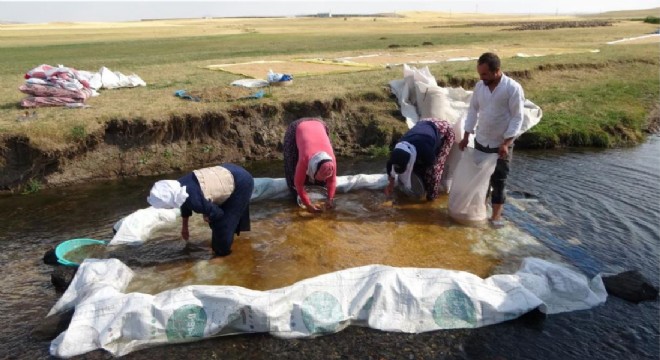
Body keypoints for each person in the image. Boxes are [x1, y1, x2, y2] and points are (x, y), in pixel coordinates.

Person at [458, 52, 524, 227]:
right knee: (481, 179)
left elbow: (518, 117)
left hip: (501, 144)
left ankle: (495, 218)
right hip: (481, 141)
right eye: (480, 74)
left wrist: (506, 143)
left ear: (497, 71)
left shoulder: (512, 88)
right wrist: (466, 135)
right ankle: (480, 212)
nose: (481, 78)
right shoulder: (480, 87)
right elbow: (473, 110)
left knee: (499, 181)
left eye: (485, 74)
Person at [147, 163, 254, 256]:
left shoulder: (194, 201)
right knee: (217, 223)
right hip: (228, 170)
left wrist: (208, 214)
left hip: (242, 182)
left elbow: (219, 215)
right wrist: (185, 227)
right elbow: (184, 203)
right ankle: (223, 243)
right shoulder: (178, 187)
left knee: (223, 225)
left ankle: (224, 254)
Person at [384, 118, 455, 201]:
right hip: (423, 124)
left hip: (444, 129)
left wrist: (431, 200)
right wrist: (390, 185)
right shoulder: (395, 154)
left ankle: (433, 196)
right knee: (420, 167)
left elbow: (434, 170)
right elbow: (391, 171)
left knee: (435, 168)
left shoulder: (425, 151)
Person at [283, 117, 337, 213]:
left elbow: (332, 181)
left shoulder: (331, 161)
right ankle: (299, 196)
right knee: (293, 169)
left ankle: (316, 189)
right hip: (298, 128)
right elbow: (298, 184)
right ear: (313, 168)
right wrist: (308, 204)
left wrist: (330, 198)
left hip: (319, 125)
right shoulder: (305, 158)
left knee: (322, 184)